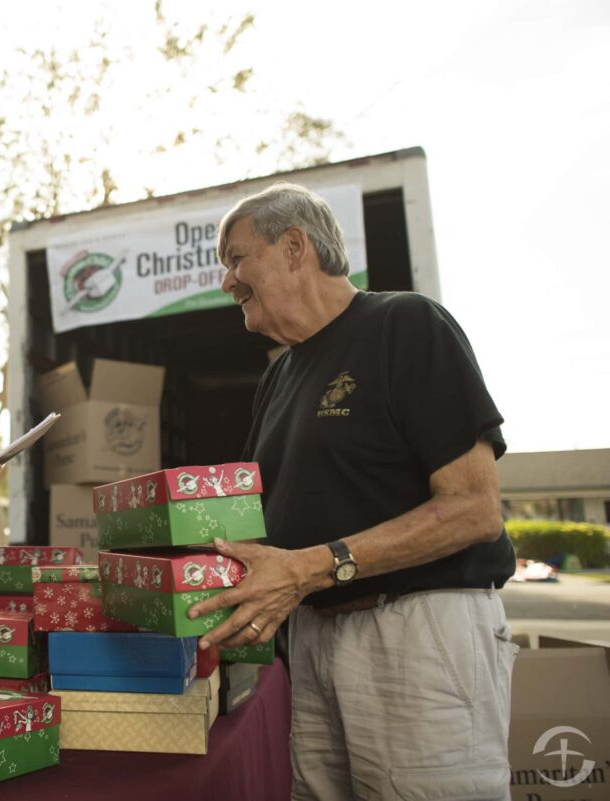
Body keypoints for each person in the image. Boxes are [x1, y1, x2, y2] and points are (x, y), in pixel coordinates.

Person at [187, 183, 517, 800]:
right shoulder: (280, 374)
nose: (227, 281)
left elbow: (474, 511)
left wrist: (312, 567)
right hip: (313, 632)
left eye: (236, 258)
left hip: (415, 632)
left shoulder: (406, 324)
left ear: (293, 247)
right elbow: (263, 522)